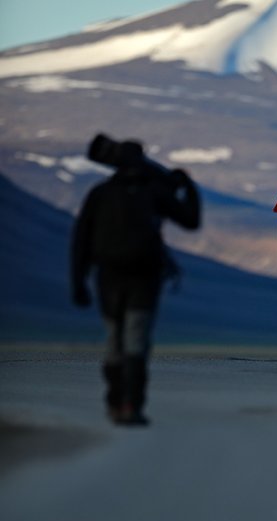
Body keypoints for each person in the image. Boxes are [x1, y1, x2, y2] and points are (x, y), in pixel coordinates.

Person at [71, 134, 201, 426]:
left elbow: (81, 240)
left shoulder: (100, 194)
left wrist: (78, 282)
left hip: (108, 278)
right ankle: (131, 407)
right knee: (135, 341)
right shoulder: (154, 193)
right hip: (144, 277)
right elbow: (191, 220)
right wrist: (188, 186)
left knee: (115, 340)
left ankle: (116, 403)